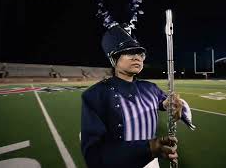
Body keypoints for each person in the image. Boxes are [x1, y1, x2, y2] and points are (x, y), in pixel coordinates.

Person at [81, 25, 195, 168]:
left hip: (152, 163)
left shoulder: (150, 87)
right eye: (129, 53)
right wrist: (150, 148)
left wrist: (174, 104)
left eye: (140, 54)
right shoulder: (95, 95)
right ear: (113, 59)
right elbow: (93, 155)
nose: (137, 57)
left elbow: (165, 102)